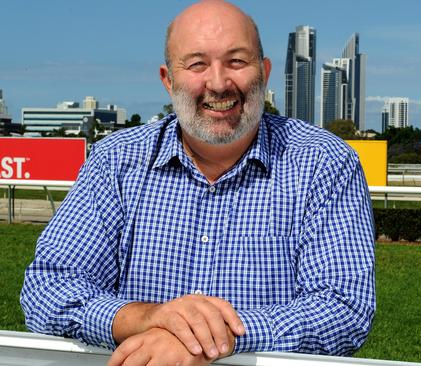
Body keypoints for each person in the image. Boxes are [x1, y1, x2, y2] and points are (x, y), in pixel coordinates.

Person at [20, 1, 376, 365]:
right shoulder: (116, 161)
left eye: (237, 61)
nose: (219, 83)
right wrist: (147, 318)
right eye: (197, 64)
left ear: (265, 72)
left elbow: (343, 308)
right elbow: (49, 288)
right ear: (167, 79)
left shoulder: (324, 163)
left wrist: (209, 338)